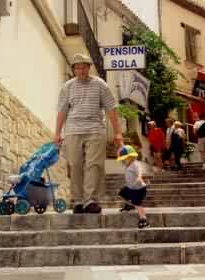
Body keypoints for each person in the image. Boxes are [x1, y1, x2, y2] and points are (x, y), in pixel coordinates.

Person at [55, 53, 123, 214]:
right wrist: (57, 133)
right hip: (73, 131)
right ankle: (78, 200)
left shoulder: (100, 85)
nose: (81, 70)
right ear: (74, 70)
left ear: (89, 68)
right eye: (78, 68)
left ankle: (90, 200)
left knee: (94, 165)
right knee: (75, 165)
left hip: (95, 130)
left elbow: (111, 109)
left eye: (84, 67)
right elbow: (62, 111)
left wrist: (118, 133)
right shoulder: (67, 87)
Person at [117, 145, 149, 228]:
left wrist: (139, 177)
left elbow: (139, 171)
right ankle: (130, 205)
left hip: (139, 189)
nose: (123, 161)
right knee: (122, 192)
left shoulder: (135, 164)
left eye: (125, 159)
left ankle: (144, 219)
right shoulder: (126, 165)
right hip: (131, 188)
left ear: (131, 157)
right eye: (123, 159)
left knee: (137, 204)